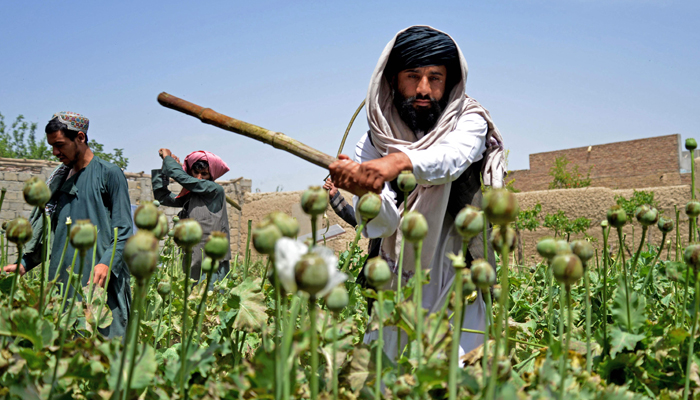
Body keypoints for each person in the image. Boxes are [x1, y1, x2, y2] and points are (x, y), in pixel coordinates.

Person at [329, 26, 506, 359]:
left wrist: (398, 162)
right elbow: (384, 224)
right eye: (413, 76)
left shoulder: (469, 120)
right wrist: (366, 194)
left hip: (458, 276)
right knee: (383, 374)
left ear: (449, 82)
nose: (423, 89)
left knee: (460, 375)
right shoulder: (372, 142)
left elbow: (450, 160)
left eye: (435, 78)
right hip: (395, 283)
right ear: (393, 80)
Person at [3, 112, 134, 338]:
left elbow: (123, 230)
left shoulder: (109, 174)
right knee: (64, 350)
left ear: (80, 137)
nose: (55, 152)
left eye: (60, 145)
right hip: (62, 286)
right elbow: (52, 236)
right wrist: (24, 264)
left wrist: (106, 263)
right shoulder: (58, 182)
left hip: (100, 283)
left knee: (106, 350)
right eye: (52, 146)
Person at [152, 149, 231, 283]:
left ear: (211, 175)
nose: (199, 178)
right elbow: (162, 197)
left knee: (211, 293)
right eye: (196, 172)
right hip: (191, 258)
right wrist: (165, 167)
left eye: (204, 174)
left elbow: (183, 178)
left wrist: (168, 159)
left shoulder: (215, 190)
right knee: (191, 293)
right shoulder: (191, 196)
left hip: (211, 260)